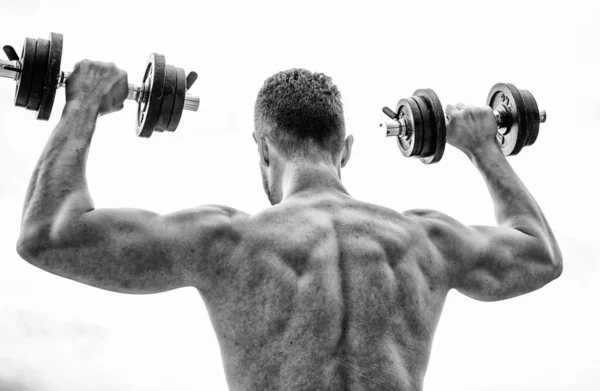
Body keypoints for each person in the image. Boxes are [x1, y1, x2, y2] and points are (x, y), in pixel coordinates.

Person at [16, 61, 562, 391]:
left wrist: (83, 103)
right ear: (344, 149)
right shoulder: (424, 241)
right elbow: (540, 254)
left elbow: (48, 235)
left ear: (264, 151)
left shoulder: (227, 241)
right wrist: (485, 148)